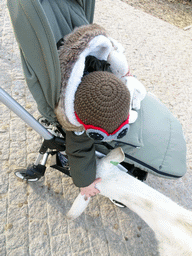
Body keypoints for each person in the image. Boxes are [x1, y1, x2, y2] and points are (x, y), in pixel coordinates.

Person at [54, 23, 187, 201]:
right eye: (100, 135)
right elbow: (78, 151)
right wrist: (85, 183)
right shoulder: (78, 117)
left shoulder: (108, 77)